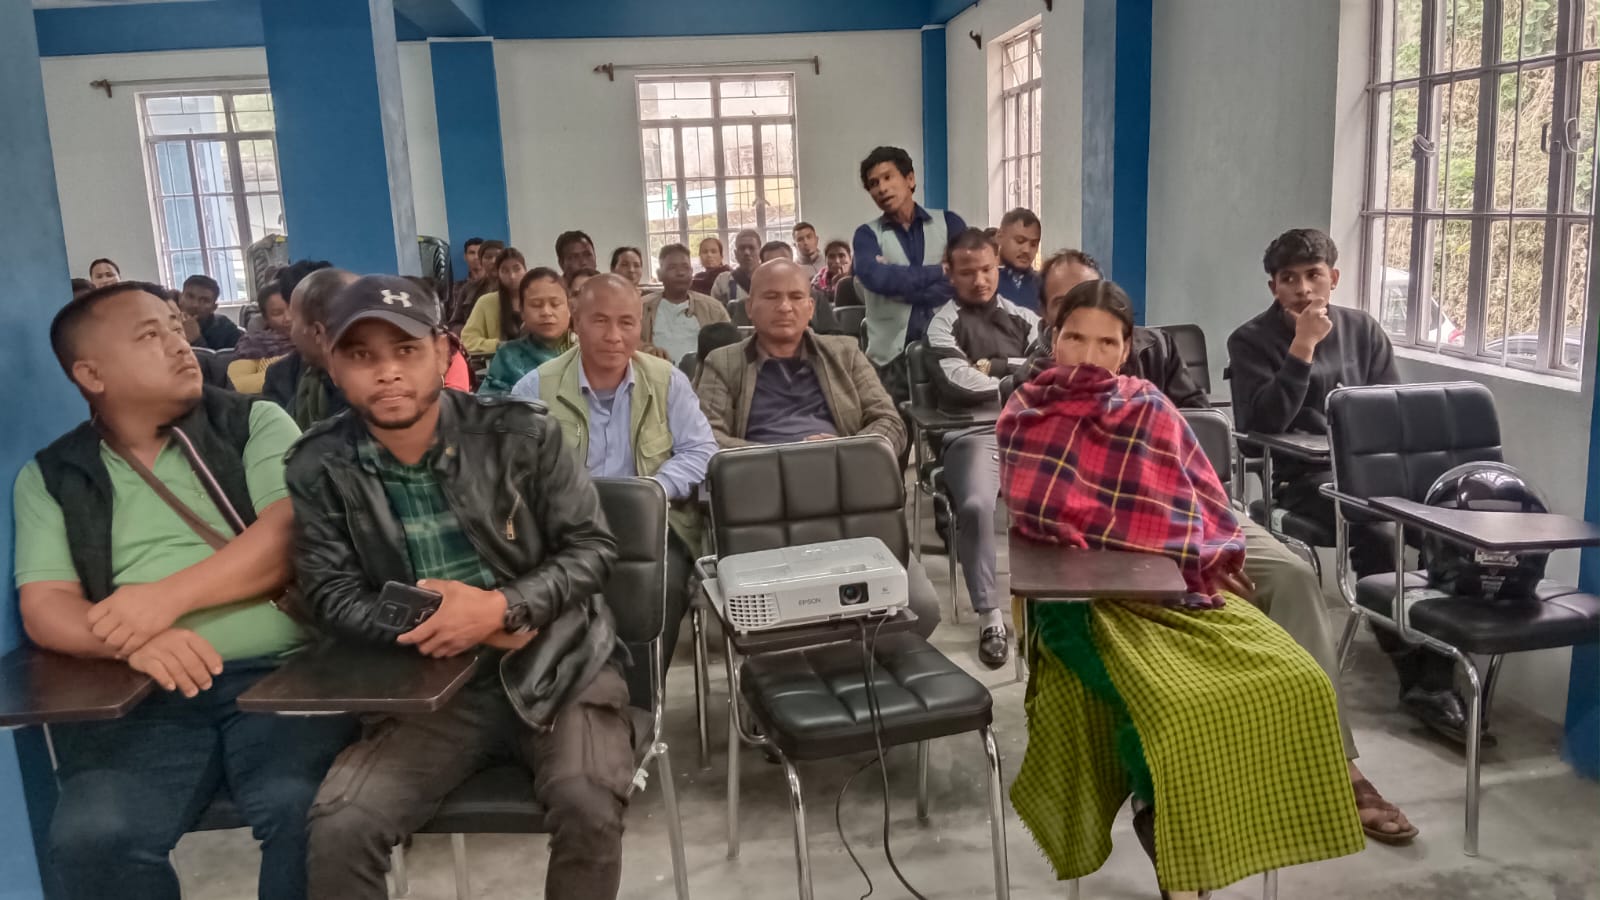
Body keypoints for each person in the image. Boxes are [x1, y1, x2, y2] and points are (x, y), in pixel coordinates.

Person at [1040, 247, 1416, 845]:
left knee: (1290, 574)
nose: (1091, 343)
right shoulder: (1033, 395)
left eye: (1106, 331)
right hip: (1116, 537)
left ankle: (1336, 763)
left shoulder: (1153, 362)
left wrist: (1214, 541)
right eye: (1068, 313)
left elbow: (1199, 450)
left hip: (1191, 510)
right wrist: (1186, 552)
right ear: (1049, 325)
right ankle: (1166, 787)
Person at [1003, 279, 1364, 899]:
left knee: (1298, 680)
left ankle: (1254, 825)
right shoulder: (1027, 412)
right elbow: (1040, 516)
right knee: (1172, 710)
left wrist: (1206, 553)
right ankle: (1171, 833)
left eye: (1106, 344)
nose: (1089, 356)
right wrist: (1122, 540)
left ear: (1126, 350)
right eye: (1075, 339)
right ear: (1053, 339)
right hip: (1082, 592)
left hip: (1173, 581)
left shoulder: (1149, 406)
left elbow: (1200, 496)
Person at [285, 275, 631, 900]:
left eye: (406, 350)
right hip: (424, 685)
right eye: (361, 355)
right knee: (342, 825)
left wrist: (502, 607)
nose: (388, 372)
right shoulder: (319, 464)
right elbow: (331, 595)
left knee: (587, 801)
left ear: (444, 352)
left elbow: (592, 549)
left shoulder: (523, 433)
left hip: (556, 664)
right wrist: (441, 621)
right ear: (332, 364)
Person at [16, 282, 353, 900]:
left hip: (282, 676)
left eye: (175, 327)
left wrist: (162, 601)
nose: (179, 345)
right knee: (96, 836)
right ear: (91, 374)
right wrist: (128, 643)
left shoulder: (252, 422)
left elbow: (284, 538)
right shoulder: (54, 476)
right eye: (150, 335)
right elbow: (46, 605)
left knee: (308, 809)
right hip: (142, 691)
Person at [1228, 229, 1464, 743]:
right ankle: (1419, 679)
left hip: (1374, 474)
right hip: (1302, 478)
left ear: (1332, 278)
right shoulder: (1249, 340)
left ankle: (1439, 662)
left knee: (1441, 531)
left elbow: (1391, 410)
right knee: (1377, 535)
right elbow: (1260, 426)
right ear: (1273, 287)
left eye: (1313, 275)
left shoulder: (1363, 330)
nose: (1302, 288)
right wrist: (1302, 348)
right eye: (1288, 279)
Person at [694, 259, 940, 639]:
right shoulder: (723, 363)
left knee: (921, 606)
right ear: (749, 307)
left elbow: (890, 424)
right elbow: (706, 438)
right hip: (764, 503)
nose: (785, 307)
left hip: (845, 497)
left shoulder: (845, 352)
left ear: (811, 307)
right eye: (772, 297)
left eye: (796, 297)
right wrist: (785, 457)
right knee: (755, 625)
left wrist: (843, 451)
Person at [512, 274, 717, 702]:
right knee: (553, 600)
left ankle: (639, 709)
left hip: (654, 531)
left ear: (640, 325)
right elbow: (512, 471)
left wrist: (652, 490)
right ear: (576, 322)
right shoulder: (535, 388)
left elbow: (700, 451)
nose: (614, 336)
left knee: (658, 593)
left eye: (626, 322)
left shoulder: (666, 381)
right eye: (600, 321)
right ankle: (572, 705)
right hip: (565, 536)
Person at [926, 229, 1039, 669]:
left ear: (998, 267)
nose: (979, 280)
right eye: (968, 272)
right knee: (974, 506)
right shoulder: (942, 324)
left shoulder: (1025, 318)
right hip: (973, 433)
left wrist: (999, 367)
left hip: (1033, 430)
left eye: (987, 269)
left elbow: (1047, 366)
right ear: (949, 273)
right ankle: (990, 615)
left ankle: (1062, 607)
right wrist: (1015, 379)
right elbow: (957, 382)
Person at [851, 146, 968, 367]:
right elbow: (877, 278)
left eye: (888, 177)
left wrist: (900, 288)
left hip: (948, 347)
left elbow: (963, 279)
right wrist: (939, 271)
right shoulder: (866, 235)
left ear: (910, 179)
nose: (882, 188)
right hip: (889, 359)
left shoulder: (950, 223)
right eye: (874, 184)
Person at [263, 264, 354, 429]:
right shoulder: (281, 375)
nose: (288, 322)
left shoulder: (364, 379)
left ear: (316, 330)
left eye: (293, 317)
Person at [480, 267, 574, 396]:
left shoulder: (586, 351)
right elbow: (488, 403)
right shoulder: (508, 356)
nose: (546, 312)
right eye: (536, 305)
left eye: (555, 304)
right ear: (522, 311)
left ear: (569, 309)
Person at [642, 243, 730, 365]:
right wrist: (646, 350)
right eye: (672, 267)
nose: (680, 273)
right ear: (659, 274)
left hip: (703, 375)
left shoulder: (714, 309)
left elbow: (730, 350)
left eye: (685, 267)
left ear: (692, 272)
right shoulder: (641, 308)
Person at [228, 284, 296, 394]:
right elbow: (235, 385)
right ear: (266, 318)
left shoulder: (317, 341)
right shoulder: (253, 344)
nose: (288, 318)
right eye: (277, 313)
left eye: (293, 309)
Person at [461, 247, 527, 357]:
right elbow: (468, 340)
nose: (512, 276)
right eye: (505, 271)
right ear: (498, 274)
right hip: (500, 362)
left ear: (525, 270)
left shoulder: (537, 299)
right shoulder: (485, 302)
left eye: (517, 269)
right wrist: (498, 345)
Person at [449, 240, 503, 331]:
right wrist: (471, 332)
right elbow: (454, 323)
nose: (493, 261)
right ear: (481, 260)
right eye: (488, 257)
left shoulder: (514, 287)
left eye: (498, 256)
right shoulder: (467, 288)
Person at [995, 208, 1043, 312]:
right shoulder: (984, 282)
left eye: (1033, 244)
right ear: (999, 237)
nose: (1026, 250)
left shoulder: (1043, 285)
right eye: (1020, 241)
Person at [179, 275, 240, 350]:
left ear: (214, 307)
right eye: (190, 297)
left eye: (204, 300)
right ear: (180, 298)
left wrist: (197, 340)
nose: (195, 305)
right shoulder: (167, 323)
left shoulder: (226, 329)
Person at [710, 228, 762, 306]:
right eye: (742, 248)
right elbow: (715, 310)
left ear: (760, 252)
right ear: (735, 253)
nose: (746, 253)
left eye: (751, 248)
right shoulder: (723, 281)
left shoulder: (771, 279)